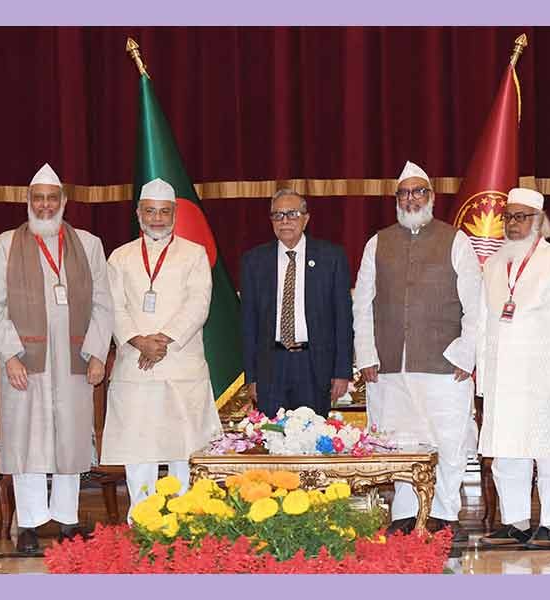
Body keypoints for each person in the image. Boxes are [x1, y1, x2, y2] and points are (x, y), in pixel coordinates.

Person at [0, 163, 113, 553]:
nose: (44, 205)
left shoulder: (88, 244)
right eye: (37, 198)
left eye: (51, 198)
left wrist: (95, 354)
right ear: (28, 201)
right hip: (26, 361)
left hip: (73, 359)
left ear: (63, 202)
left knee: (70, 441)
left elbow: (103, 304)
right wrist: (9, 356)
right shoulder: (4, 244)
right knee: (28, 441)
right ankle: (30, 523)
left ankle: (68, 519)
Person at [353, 160, 480, 539]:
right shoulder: (378, 242)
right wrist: (367, 356)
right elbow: (362, 305)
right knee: (397, 441)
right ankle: (405, 514)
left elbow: (476, 305)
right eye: (404, 193)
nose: (411, 199)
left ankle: (443, 514)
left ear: (432, 197)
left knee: (447, 440)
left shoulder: (455, 240)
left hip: (445, 364)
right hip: (390, 366)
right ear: (397, 199)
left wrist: (466, 354)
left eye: (418, 192)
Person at [102, 177, 221, 520]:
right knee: (138, 446)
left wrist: (163, 339)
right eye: (150, 211)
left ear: (174, 214)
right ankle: (142, 517)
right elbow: (114, 306)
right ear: (138, 212)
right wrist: (139, 341)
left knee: (183, 446)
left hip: (181, 364)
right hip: (134, 366)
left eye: (164, 212)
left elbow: (199, 304)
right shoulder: (120, 257)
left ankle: (184, 517)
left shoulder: (194, 254)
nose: (156, 218)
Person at [477, 188, 550, 549]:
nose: (513, 225)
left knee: (547, 450)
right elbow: (484, 323)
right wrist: (483, 377)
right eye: (509, 218)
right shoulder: (492, 265)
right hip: (502, 374)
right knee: (506, 450)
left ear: (539, 222)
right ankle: (515, 520)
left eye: (521, 217)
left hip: (542, 374)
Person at [240, 188, 353, 417]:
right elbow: (248, 323)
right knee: (272, 437)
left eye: (292, 214)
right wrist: (251, 376)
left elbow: (343, 318)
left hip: (314, 365)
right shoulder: (254, 261)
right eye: (278, 215)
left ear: (306, 218)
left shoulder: (331, 258)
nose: (285, 222)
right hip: (270, 366)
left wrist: (341, 371)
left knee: (313, 441)